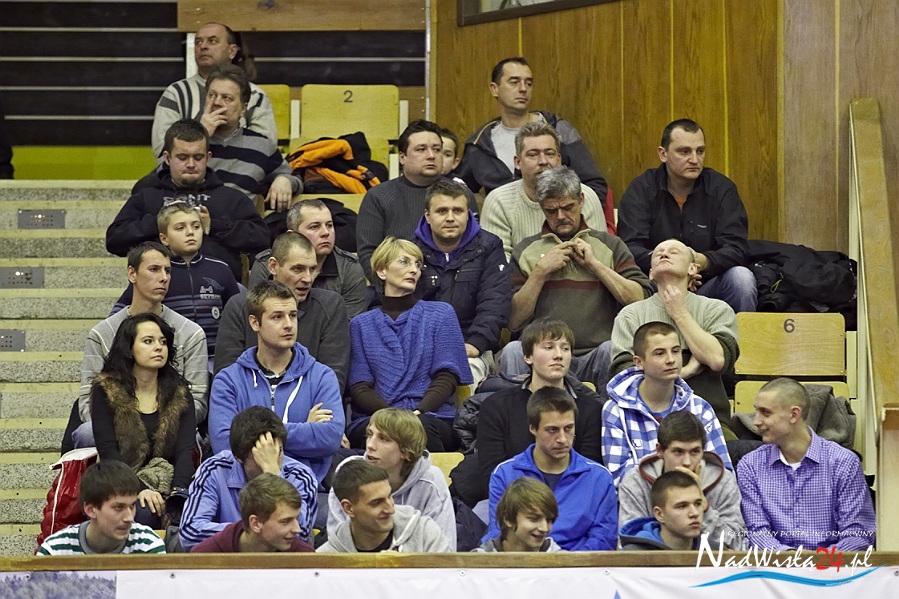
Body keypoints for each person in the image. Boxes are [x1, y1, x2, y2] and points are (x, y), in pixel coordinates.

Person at [500, 166, 652, 390]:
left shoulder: (610, 245)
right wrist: (540, 273)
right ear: (541, 208)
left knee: (612, 349)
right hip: (543, 354)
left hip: (595, 353)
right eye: (551, 211)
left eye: (567, 207)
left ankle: (610, 412)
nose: (560, 216)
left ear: (581, 200)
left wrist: (596, 266)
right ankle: (518, 411)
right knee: (513, 350)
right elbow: (513, 320)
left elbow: (640, 300)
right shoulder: (526, 250)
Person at [209, 280, 344, 488]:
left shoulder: (321, 376)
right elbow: (225, 445)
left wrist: (254, 437)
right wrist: (304, 429)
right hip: (244, 492)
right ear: (255, 323)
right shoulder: (228, 380)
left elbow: (330, 437)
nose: (289, 324)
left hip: (305, 490)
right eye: (277, 317)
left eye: (293, 315)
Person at [73, 242, 207, 447]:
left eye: (167, 270)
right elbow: (85, 405)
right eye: (154, 269)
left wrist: (156, 424)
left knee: (192, 438)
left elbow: (197, 403)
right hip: (114, 427)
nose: (164, 277)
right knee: (87, 433)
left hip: (170, 427)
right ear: (132, 274)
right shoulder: (101, 334)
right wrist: (132, 427)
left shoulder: (191, 333)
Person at [617, 118, 757, 313]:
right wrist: (675, 266)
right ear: (663, 154)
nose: (694, 159)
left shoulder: (721, 189)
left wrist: (701, 262)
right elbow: (628, 248)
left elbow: (737, 248)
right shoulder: (641, 189)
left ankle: (740, 335)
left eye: (700, 151)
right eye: (684, 152)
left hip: (705, 287)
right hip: (656, 289)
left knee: (741, 278)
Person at [347, 237, 473, 452]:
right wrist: (392, 417)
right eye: (404, 262)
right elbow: (359, 387)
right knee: (375, 433)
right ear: (382, 271)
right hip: (377, 417)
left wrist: (418, 413)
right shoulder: (361, 324)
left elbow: (447, 376)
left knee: (421, 430)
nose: (414, 269)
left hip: (432, 416)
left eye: (417, 264)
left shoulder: (441, 314)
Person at [461, 318, 603, 505]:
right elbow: (493, 473)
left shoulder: (591, 409)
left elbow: (589, 474)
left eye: (565, 348)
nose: (559, 355)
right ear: (528, 356)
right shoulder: (496, 407)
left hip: (574, 505)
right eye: (549, 347)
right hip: (512, 505)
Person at [107, 118, 269, 281]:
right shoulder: (146, 196)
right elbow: (114, 240)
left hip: (219, 289)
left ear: (208, 157)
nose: (191, 164)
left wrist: (212, 225)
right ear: (167, 158)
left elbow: (262, 239)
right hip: (160, 288)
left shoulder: (231, 198)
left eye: (198, 157)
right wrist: (162, 222)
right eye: (182, 157)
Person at [457, 57, 611, 220]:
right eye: (514, 82)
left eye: (528, 83)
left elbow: (595, 186)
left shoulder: (558, 130)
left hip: (558, 225)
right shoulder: (479, 144)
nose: (523, 89)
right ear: (494, 89)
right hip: (503, 229)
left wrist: (569, 220)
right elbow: (458, 191)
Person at [609, 238, 739, 429]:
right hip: (647, 420)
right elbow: (625, 377)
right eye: (658, 253)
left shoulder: (716, 309)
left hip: (707, 420)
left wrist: (679, 313)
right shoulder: (630, 315)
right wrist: (684, 373)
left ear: (692, 268)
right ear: (651, 273)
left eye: (674, 252)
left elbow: (717, 360)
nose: (664, 253)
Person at [738, 377, 876, 551]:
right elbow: (756, 532)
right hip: (775, 565)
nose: (756, 421)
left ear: (794, 414)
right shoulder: (750, 465)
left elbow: (858, 535)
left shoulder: (843, 462)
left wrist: (817, 561)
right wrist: (791, 558)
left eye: (765, 413)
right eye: (756, 411)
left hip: (834, 565)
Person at [88, 313, 196, 529]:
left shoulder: (180, 393)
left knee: (185, 513)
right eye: (148, 341)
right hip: (120, 481)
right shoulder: (106, 390)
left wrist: (176, 495)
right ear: (129, 349)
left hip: (169, 481)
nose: (158, 347)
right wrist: (140, 489)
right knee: (144, 512)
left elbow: (185, 451)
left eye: (163, 342)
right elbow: (109, 452)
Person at [484, 388, 617, 551]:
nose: (562, 439)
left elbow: (603, 540)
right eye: (552, 430)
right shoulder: (504, 474)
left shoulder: (599, 478)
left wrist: (563, 563)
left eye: (568, 428)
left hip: (579, 564)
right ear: (533, 428)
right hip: (521, 562)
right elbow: (499, 533)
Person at [214, 232, 349, 391]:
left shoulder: (331, 306)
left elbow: (332, 381)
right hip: (250, 405)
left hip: (311, 405)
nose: (308, 278)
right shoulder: (239, 307)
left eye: (312, 269)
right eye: (298, 269)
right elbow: (226, 379)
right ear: (273, 266)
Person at [604, 321, 732, 486]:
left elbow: (724, 474)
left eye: (676, 351)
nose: (671, 360)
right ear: (638, 362)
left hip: (698, 498)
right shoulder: (615, 410)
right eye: (660, 353)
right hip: (641, 500)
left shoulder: (700, 408)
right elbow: (619, 479)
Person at [413, 179, 511, 387]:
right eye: (442, 211)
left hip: (471, 346)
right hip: (418, 347)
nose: (450, 218)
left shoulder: (489, 247)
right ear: (427, 216)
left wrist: (475, 343)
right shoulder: (409, 250)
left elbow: (495, 303)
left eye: (457, 211)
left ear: (468, 214)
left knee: (465, 375)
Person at [179, 406, 318, 550]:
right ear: (239, 457)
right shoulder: (215, 469)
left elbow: (300, 534)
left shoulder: (301, 476)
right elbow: (190, 531)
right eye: (261, 455)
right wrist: (249, 534)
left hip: (278, 560)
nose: (274, 460)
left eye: (278, 451)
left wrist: (273, 473)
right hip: (226, 559)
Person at [355, 119, 479, 280]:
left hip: (456, 285)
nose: (431, 156)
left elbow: (475, 247)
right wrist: (392, 288)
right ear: (402, 157)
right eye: (421, 149)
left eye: (437, 150)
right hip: (398, 288)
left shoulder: (461, 195)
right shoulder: (378, 196)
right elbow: (369, 255)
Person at [112, 202, 240, 358]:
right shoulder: (157, 273)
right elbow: (120, 313)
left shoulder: (221, 268)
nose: (190, 232)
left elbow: (238, 315)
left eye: (196, 226)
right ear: (164, 238)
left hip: (215, 358)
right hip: (168, 357)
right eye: (180, 228)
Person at [327, 408, 456, 548]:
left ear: (406, 451)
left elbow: (444, 550)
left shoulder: (431, 481)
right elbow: (337, 545)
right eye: (370, 435)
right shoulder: (349, 472)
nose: (370, 445)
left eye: (383, 439)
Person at [482, 122, 610, 261]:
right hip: (523, 275)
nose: (543, 161)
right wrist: (540, 270)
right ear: (518, 162)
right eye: (533, 155)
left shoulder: (584, 195)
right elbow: (497, 264)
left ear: (559, 160)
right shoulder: (499, 201)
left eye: (549, 154)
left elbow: (601, 256)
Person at [618, 410, 744, 550]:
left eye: (695, 451)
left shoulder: (723, 481)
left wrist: (704, 507)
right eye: (678, 452)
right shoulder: (636, 481)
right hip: (652, 562)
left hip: (708, 562)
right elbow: (630, 543)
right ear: (660, 450)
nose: (687, 462)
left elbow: (737, 544)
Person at [151, 22, 276, 159]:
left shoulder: (255, 96)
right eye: (198, 42)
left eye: (212, 41)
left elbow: (266, 151)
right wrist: (201, 133)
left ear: (232, 51)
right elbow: (162, 153)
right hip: (190, 171)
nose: (203, 46)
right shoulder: (176, 94)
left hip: (242, 171)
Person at [248, 199, 369, 318]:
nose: (326, 232)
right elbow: (257, 315)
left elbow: (350, 322)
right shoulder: (266, 263)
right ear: (292, 234)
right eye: (314, 227)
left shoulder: (349, 267)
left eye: (329, 225)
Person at [202, 65, 301, 210]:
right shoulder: (184, 138)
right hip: (192, 220)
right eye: (212, 95)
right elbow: (167, 177)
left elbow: (296, 179)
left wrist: (285, 180)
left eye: (226, 98)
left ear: (243, 109)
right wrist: (201, 135)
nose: (216, 103)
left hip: (238, 221)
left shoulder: (261, 145)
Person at [318, 458, 452, 553]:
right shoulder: (326, 559)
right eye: (376, 503)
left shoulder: (426, 534)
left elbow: (448, 583)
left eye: (389, 496)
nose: (390, 509)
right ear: (348, 508)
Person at [37, 461, 165, 555]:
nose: (129, 518)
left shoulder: (148, 545)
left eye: (132, 506)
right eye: (118, 507)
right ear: (90, 510)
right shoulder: (54, 551)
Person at [190, 473, 315, 553]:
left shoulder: (306, 560)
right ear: (255, 523)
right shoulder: (203, 559)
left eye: (296, 519)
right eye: (286, 521)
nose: (297, 529)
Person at [619, 470, 705, 550]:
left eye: (697, 504)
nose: (695, 513)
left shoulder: (711, 551)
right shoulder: (632, 556)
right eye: (682, 506)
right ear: (659, 514)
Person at [474, 477, 561, 552]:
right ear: (508, 519)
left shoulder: (563, 562)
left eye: (549, 520)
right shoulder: (476, 561)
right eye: (534, 519)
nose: (544, 528)